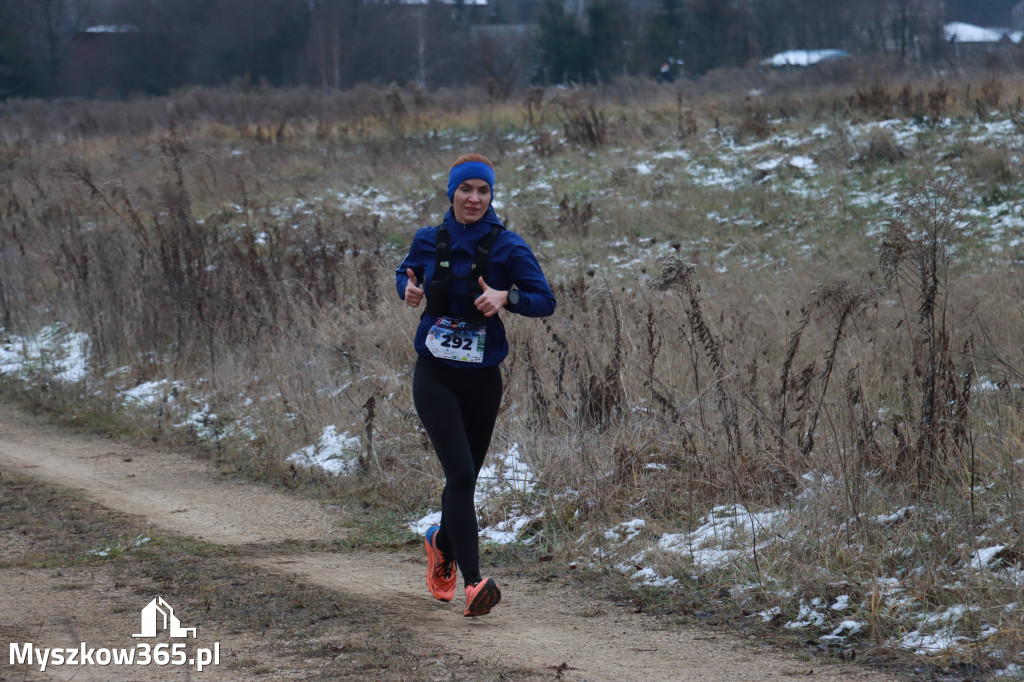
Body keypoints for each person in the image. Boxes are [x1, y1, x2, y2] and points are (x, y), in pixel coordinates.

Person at [395, 153, 556, 617]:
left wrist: (509, 296)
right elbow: (405, 275)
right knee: (461, 475)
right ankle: (473, 583)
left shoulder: (508, 247)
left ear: (491, 196)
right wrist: (408, 291)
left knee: (463, 480)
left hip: (483, 378)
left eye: (483, 191)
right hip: (435, 374)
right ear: (452, 193)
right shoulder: (429, 240)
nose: (474, 198)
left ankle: (440, 542)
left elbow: (545, 300)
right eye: (466, 189)